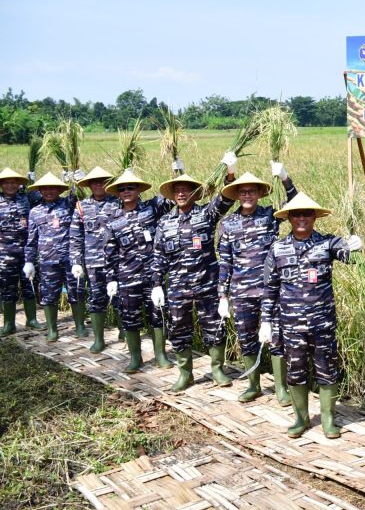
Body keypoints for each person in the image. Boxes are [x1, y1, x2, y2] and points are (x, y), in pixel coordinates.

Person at [260, 192, 362, 438]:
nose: (302, 218)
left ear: (315, 217)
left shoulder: (327, 243)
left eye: (307, 213)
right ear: (290, 218)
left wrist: (355, 244)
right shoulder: (278, 249)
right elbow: (270, 288)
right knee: (296, 371)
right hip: (291, 325)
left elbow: (353, 259)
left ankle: (328, 419)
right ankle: (301, 419)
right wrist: (266, 320)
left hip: (322, 323)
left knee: (327, 370)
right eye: (297, 214)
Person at [150, 155, 237, 393]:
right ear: (172, 195)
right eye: (177, 190)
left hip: (207, 284)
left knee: (215, 327)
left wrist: (230, 171)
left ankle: (217, 369)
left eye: (186, 190)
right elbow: (158, 255)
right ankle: (185, 373)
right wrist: (157, 284)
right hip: (177, 287)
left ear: (193, 194)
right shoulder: (165, 222)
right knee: (178, 329)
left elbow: (226, 199)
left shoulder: (205, 215)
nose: (181, 194)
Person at [218, 164, 297, 404]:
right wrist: (223, 295)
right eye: (242, 192)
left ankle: (281, 388)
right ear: (237, 195)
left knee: (276, 338)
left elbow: (296, 203)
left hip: (270, 291)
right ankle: (253, 385)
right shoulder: (229, 223)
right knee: (246, 338)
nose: (247, 195)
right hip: (241, 292)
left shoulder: (269, 216)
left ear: (259, 194)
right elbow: (225, 261)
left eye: (252, 191)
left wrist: (285, 178)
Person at [104, 168, 175, 373]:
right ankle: (135, 358)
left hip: (154, 276)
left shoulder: (152, 208)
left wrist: (176, 168)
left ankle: (161, 355)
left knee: (157, 314)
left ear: (138, 190)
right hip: (127, 277)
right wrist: (111, 278)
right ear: (118, 192)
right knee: (130, 317)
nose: (126, 191)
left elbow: (176, 194)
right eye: (122, 189)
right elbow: (109, 251)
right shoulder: (113, 220)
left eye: (131, 187)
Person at [23, 171, 86, 341]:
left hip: (70, 259)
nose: (49, 191)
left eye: (53, 188)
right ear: (40, 191)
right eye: (45, 189)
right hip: (47, 261)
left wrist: (75, 181)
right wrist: (29, 261)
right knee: (49, 295)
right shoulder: (35, 212)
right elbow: (31, 239)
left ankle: (80, 325)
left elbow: (79, 197)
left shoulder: (67, 205)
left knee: (76, 291)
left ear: (59, 190)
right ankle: (52, 328)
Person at [70, 166, 121, 352]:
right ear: (90, 185)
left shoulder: (118, 203)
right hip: (93, 263)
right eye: (95, 182)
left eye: (103, 181)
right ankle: (99, 339)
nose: (99, 185)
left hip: (116, 261)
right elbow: (75, 237)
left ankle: (124, 331)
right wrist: (76, 261)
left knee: (120, 298)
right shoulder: (81, 207)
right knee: (96, 299)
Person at [0, 167, 44, 336]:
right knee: (7, 288)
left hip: (27, 252)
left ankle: (31, 319)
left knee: (29, 284)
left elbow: (48, 196)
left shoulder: (27, 198)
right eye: (6, 182)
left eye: (13, 182)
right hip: (5, 253)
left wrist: (33, 182)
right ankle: (9, 323)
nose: (10, 185)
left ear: (19, 184)